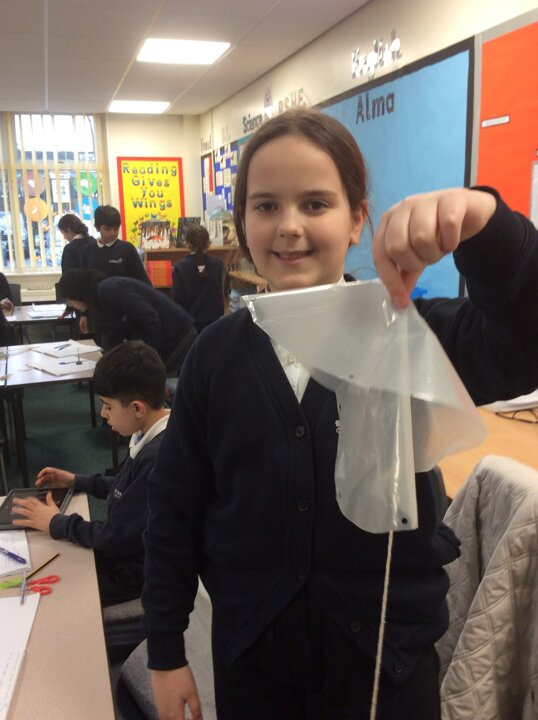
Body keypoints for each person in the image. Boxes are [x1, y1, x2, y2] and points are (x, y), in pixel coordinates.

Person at [142, 109, 538, 720]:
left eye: (316, 204)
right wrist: (166, 650)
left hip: (385, 664)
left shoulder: (407, 334)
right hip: (254, 658)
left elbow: (520, 346)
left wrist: (488, 228)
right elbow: (174, 509)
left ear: (357, 218)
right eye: (266, 205)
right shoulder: (214, 358)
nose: (289, 226)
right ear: (243, 220)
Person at [11, 340, 170, 606]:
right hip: (125, 552)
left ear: (137, 408)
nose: (103, 413)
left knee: (44, 592)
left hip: (134, 572)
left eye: (108, 406)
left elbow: (115, 538)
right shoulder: (149, 433)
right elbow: (126, 488)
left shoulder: (157, 458)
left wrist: (56, 523)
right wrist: (76, 480)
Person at [57, 269, 197, 375]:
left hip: (176, 336)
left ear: (78, 294)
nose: (72, 305)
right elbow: (114, 334)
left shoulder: (109, 289)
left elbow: (150, 318)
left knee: (150, 387)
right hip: (164, 337)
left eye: (70, 300)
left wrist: (151, 361)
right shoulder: (99, 302)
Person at [172, 224, 228, 333]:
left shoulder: (179, 268)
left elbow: (178, 298)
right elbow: (226, 292)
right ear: (208, 244)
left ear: (187, 244)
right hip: (215, 324)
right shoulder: (219, 264)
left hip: (191, 327)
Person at [83, 204, 151, 285]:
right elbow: (84, 280)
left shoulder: (127, 249)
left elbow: (143, 280)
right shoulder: (89, 249)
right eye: (107, 229)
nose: (112, 233)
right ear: (97, 228)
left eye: (116, 228)